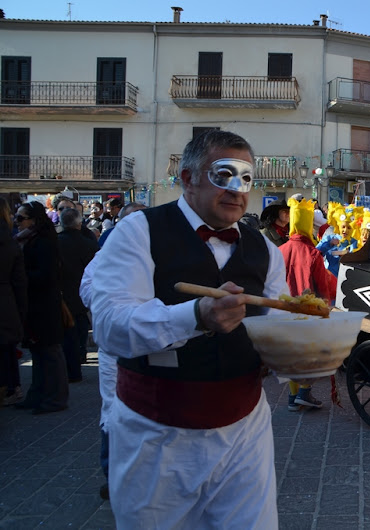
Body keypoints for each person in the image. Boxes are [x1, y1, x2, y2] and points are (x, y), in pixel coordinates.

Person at [90, 130, 287, 527]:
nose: (236, 189)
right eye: (223, 174)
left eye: (245, 178)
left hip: (244, 430)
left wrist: (306, 351)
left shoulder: (264, 249)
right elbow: (110, 327)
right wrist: (194, 316)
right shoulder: (137, 232)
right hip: (155, 435)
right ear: (188, 178)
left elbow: (276, 326)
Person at [80, 201, 146, 499]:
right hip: (115, 350)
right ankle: (113, 475)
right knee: (114, 410)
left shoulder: (160, 254)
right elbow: (88, 289)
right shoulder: (104, 256)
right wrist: (118, 302)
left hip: (151, 347)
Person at [280, 197, 337, 411]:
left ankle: (293, 398)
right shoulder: (312, 253)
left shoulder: (280, 250)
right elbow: (322, 288)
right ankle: (304, 392)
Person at [13, 201, 69, 415]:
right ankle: (37, 395)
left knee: (50, 353)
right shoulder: (29, 240)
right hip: (35, 304)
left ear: (33, 220)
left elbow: (48, 275)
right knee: (39, 352)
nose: (17, 222)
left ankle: (55, 398)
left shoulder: (43, 242)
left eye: (21, 218)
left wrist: (20, 277)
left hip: (44, 306)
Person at [58, 208, 99, 383]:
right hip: (83, 294)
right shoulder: (88, 244)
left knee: (68, 333)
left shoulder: (56, 243)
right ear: (79, 223)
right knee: (80, 327)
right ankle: (80, 356)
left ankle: (72, 366)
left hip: (63, 293)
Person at [0, 198, 27, 406]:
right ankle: (12, 386)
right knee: (7, 348)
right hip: (6, 301)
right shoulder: (10, 242)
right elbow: (19, 281)